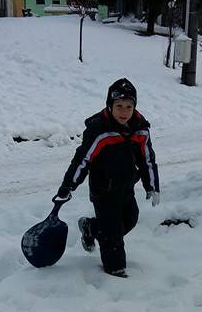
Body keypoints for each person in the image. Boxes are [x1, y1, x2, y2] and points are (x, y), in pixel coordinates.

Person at [52, 78, 160, 278]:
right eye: (119, 106)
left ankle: (91, 227)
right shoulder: (100, 131)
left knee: (130, 220)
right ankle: (115, 273)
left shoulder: (140, 129)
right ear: (110, 106)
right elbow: (82, 160)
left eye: (129, 107)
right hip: (103, 191)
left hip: (126, 189)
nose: (124, 112)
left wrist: (152, 185)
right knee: (113, 236)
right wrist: (68, 186)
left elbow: (147, 160)